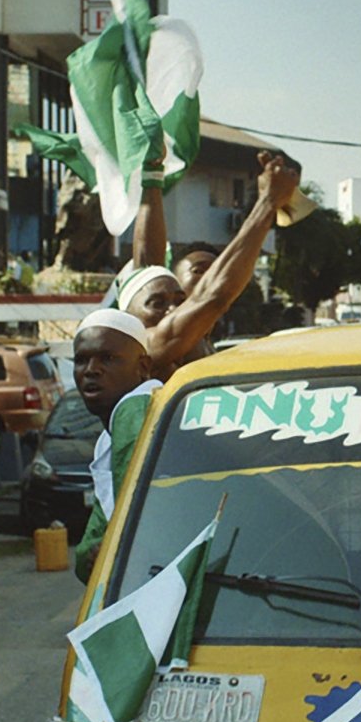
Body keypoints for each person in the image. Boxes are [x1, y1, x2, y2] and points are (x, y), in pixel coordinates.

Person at [111, 150, 302, 380]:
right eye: (199, 271)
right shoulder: (145, 347)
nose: (172, 309)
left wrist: (153, 175)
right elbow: (208, 293)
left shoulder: (204, 346)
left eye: (179, 301)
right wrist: (268, 202)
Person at [68, 308, 163, 582]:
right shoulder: (108, 436)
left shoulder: (134, 409)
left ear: (143, 367)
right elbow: (90, 547)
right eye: (81, 360)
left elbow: (135, 529)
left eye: (108, 358)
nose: (91, 370)